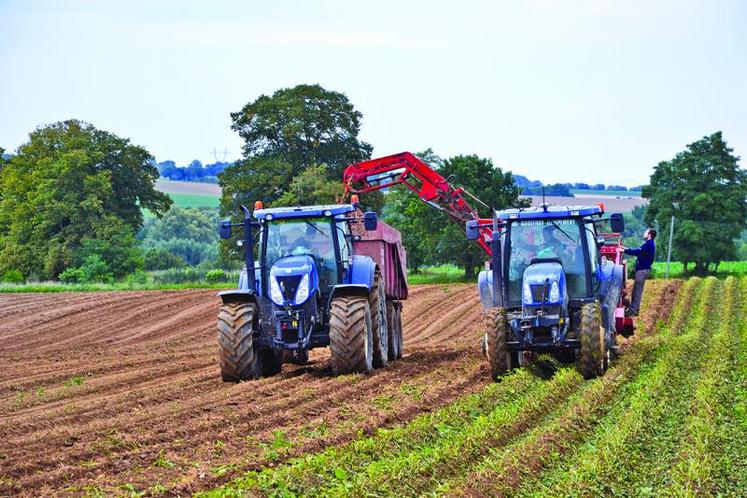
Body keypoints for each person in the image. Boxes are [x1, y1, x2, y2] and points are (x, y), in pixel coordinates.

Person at [618, 228, 657, 316]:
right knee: (636, 290)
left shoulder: (648, 245)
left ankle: (633, 310)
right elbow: (638, 250)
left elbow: (637, 252)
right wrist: (626, 248)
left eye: (646, 232)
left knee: (637, 291)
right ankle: (635, 309)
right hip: (643, 270)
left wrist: (624, 250)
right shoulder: (648, 244)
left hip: (642, 270)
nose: (644, 233)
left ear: (649, 235)